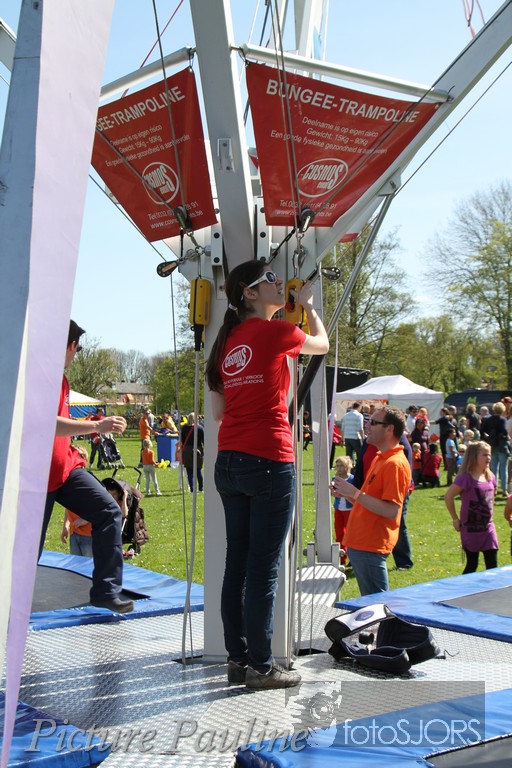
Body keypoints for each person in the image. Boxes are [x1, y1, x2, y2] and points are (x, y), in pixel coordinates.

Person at [205, 260, 328, 689]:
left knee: (236, 565)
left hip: (229, 461)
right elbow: (322, 345)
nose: (279, 283)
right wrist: (308, 306)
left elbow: (219, 414)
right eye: (270, 279)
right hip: (269, 458)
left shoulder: (226, 342)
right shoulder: (277, 333)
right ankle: (261, 667)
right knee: (263, 569)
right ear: (250, 293)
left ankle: (238, 660)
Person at [41, 320, 133, 613]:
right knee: (28, 549)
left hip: (65, 470)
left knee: (108, 511)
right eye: (77, 349)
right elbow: (47, 423)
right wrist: (97, 425)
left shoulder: (61, 379)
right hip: (37, 476)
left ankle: (106, 592)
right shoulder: (41, 375)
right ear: (72, 346)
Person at [332, 406, 411, 596]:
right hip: (362, 543)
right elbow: (371, 501)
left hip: (371, 544)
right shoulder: (381, 457)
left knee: (376, 604)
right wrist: (347, 494)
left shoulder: (394, 464)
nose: (367, 425)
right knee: (372, 604)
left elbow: (391, 510)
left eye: (373, 422)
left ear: (389, 429)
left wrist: (355, 493)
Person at [444, 441, 499, 574]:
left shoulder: (490, 476)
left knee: (492, 565)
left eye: (489, 455)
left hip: (488, 528)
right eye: (484, 455)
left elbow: (492, 496)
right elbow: (448, 496)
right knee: (472, 565)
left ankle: (491, 587)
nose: (488, 458)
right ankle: (464, 587)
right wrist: (455, 519)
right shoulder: (465, 478)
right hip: (471, 529)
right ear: (474, 457)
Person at [61, 444, 93, 558]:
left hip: (88, 534)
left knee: (88, 565)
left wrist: (86, 519)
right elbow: (68, 505)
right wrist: (66, 524)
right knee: (75, 564)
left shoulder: (88, 482)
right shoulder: (69, 481)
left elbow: (99, 507)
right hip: (74, 533)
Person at [481, 402, 510, 496]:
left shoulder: (489, 419)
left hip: (492, 445)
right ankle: (504, 489)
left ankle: (494, 488)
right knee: (503, 468)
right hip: (501, 445)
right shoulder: (502, 419)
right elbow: (504, 432)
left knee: (493, 468)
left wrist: (488, 438)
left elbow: (482, 430)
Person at [332, 456, 354, 564]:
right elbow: (333, 493)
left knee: (350, 534)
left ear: (347, 467)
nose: (339, 468)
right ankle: (341, 558)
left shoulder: (352, 479)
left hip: (350, 510)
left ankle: (353, 558)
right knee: (339, 533)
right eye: (337, 466)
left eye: (342, 466)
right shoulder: (334, 479)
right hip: (339, 510)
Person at [181, 412, 205, 492]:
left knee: (189, 471)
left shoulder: (184, 428)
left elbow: (182, 440)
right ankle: (200, 488)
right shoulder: (200, 428)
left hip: (187, 450)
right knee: (198, 470)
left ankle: (192, 489)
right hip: (198, 449)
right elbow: (203, 440)